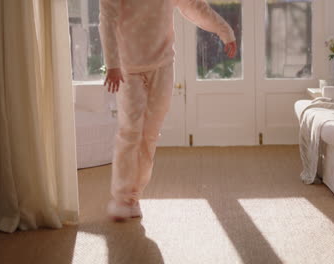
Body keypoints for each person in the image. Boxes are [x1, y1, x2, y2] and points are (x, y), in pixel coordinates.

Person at [99, 0, 237, 221]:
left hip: (162, 65)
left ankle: (133, 197)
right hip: (127, 68)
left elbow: (194, 7)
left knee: (150, 135)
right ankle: (121, 197)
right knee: (131, 130)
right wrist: (112, 64)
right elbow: (107, 18)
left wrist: (225, 31)